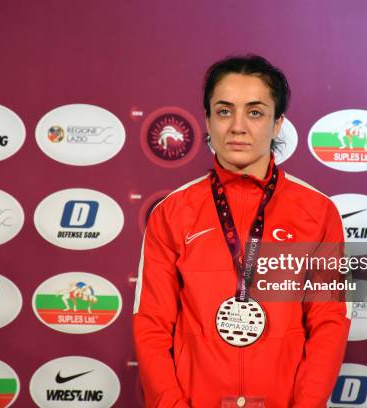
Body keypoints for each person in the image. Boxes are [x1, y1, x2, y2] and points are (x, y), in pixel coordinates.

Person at [133, 55, 350, 407]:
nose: (237, 126)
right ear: (206, 119)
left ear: (278, 123)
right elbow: (151, 325)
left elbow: (329, 322)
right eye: (223, 111)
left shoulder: (318, 212)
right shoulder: (172, 213)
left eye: (255, 112)